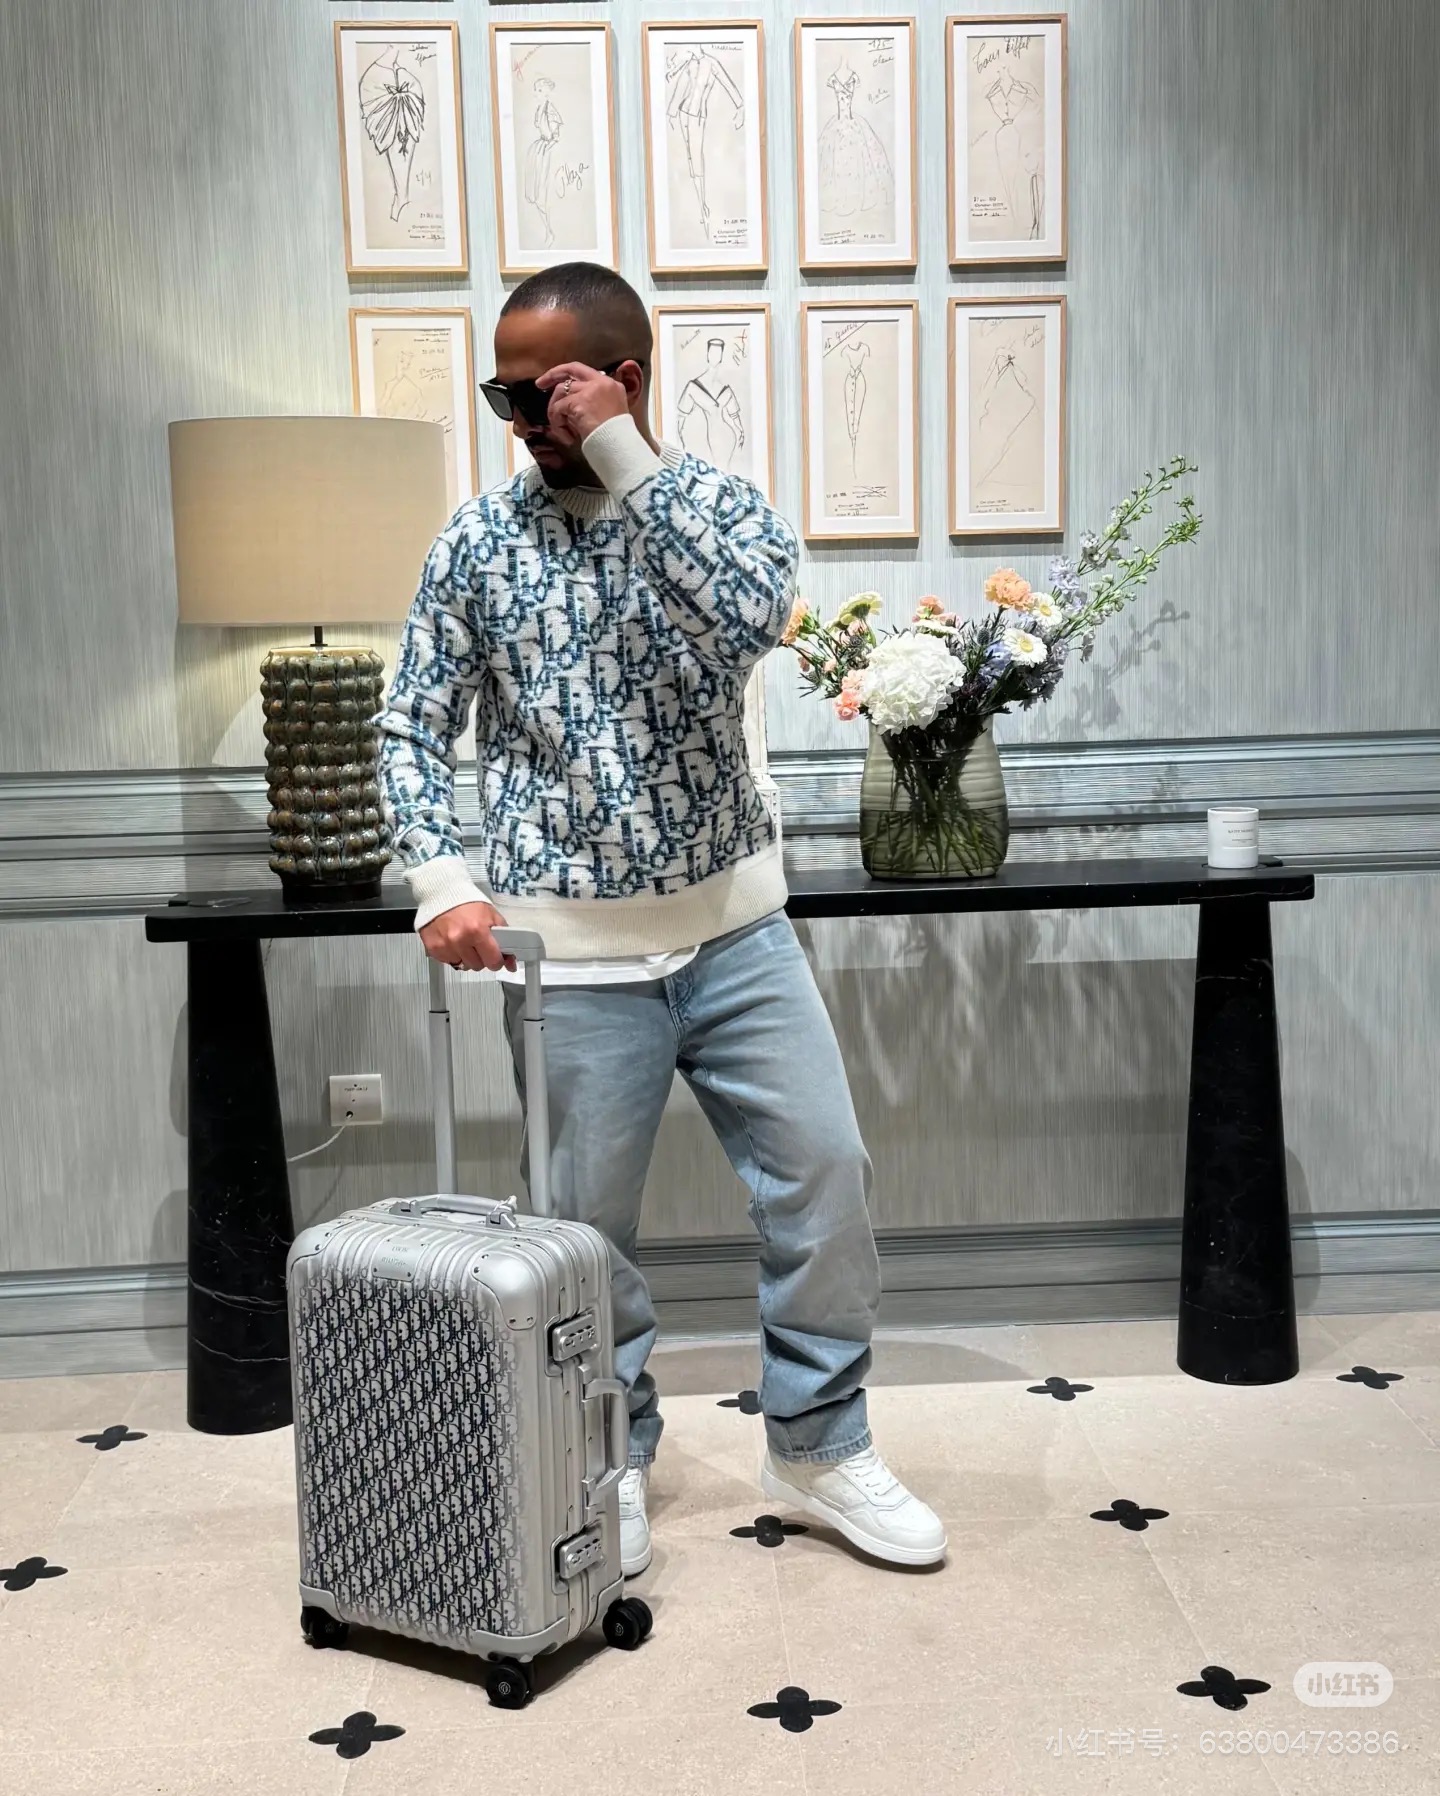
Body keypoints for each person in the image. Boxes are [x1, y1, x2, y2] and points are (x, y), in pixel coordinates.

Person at [375, 262, 945, 1576]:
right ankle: (607, 1454)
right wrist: (442, 878)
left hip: (739, 938)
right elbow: (411, 723)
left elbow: (754, 615)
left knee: (826, 1177)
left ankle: (818, 1444)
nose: (525, 420)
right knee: (584, 1238)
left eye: (547, 393)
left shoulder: (716, 512)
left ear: (623, 380)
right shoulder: (476, 542)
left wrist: (623, 456)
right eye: (504, 396)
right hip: (568, 961)